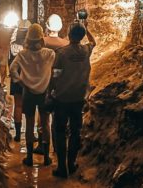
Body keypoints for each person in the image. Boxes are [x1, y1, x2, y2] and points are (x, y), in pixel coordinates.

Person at [52, 20, 96, 178]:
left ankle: (62, 167)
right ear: (82, 35)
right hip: (79, 97)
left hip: (62, 97)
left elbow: (55, 74)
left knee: (59, 131)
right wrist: (87, 29)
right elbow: (93, 42)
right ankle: (72, 163)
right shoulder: (86, 50)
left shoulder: (61, 53)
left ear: (69, 35)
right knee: (75, 131)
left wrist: (54, 89)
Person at [10, 23, 55, 166]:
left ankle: (29, 157)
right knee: (45, 123)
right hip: (44, 93)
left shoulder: (22, 54)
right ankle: (46, 158)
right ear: (42, 39)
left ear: (27, 40)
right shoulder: (49, 54)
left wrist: (21, 82)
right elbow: (55, 70)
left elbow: (12, 69)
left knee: (29, 124)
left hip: (28, 93)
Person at [34, 14, 69, 154]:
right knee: (57, 115)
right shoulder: (65, 44)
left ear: (47, 27)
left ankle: (43, 145)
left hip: (44, 82)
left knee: (42, 116)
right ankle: (56, 146)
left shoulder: (42, 42)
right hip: (60, 83)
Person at [9, 20, 31, 142]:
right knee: (29, 107)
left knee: (17, 105)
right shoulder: (30, 47)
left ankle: (17, 134)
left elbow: (10, 62)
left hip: (16, 78)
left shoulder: (12, 45)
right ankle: (29, 134)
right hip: (28, 78)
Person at [0, 23, 13, 87]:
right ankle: (2, 83)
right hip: (4, 50)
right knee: (3, 67)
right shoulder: (6, 32)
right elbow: (10, 41)